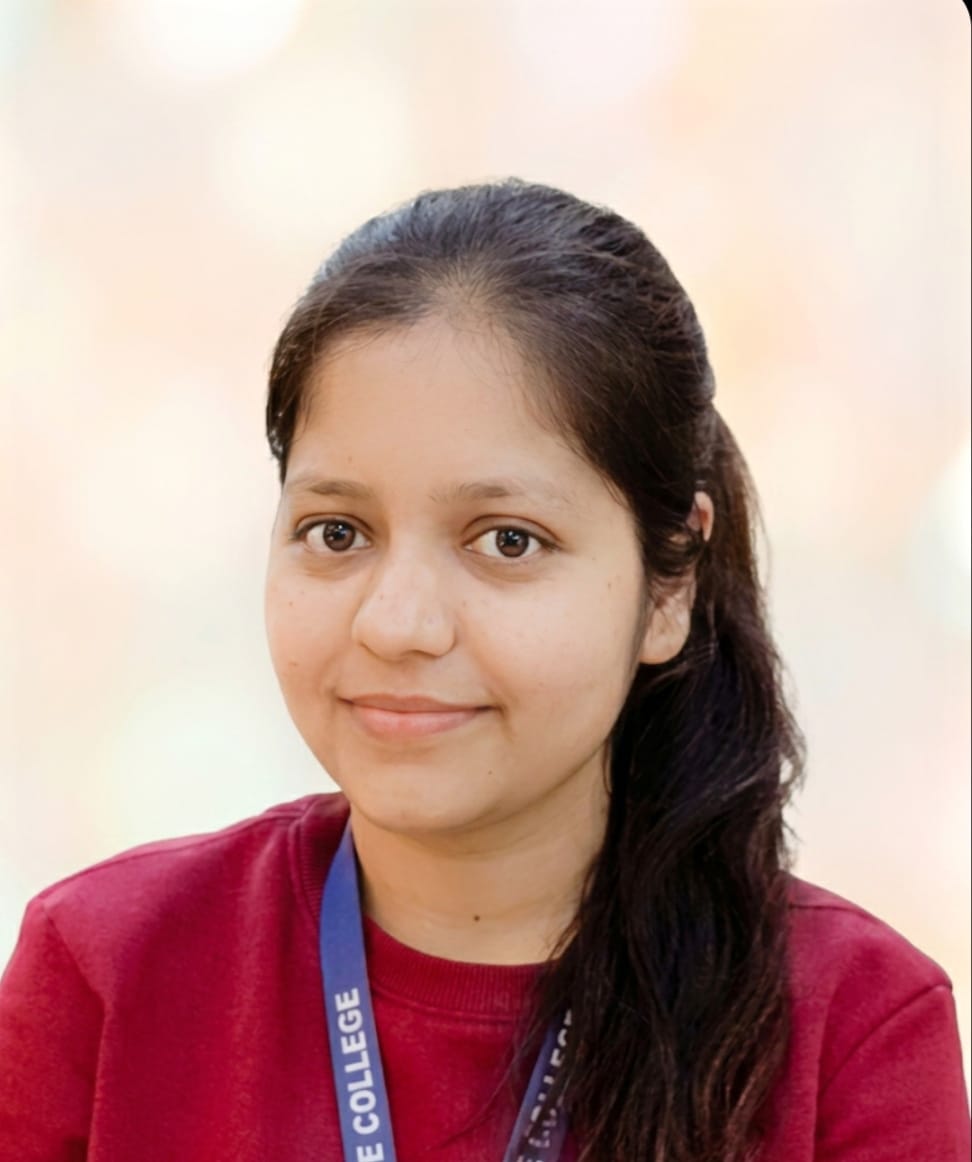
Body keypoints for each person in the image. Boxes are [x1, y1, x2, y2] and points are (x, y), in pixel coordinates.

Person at [0, 179, 968, 1162]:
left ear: (669, 586)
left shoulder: (854, 1029)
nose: (397, 624)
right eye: (337, 532)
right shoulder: (104, 970)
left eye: (507, 540)